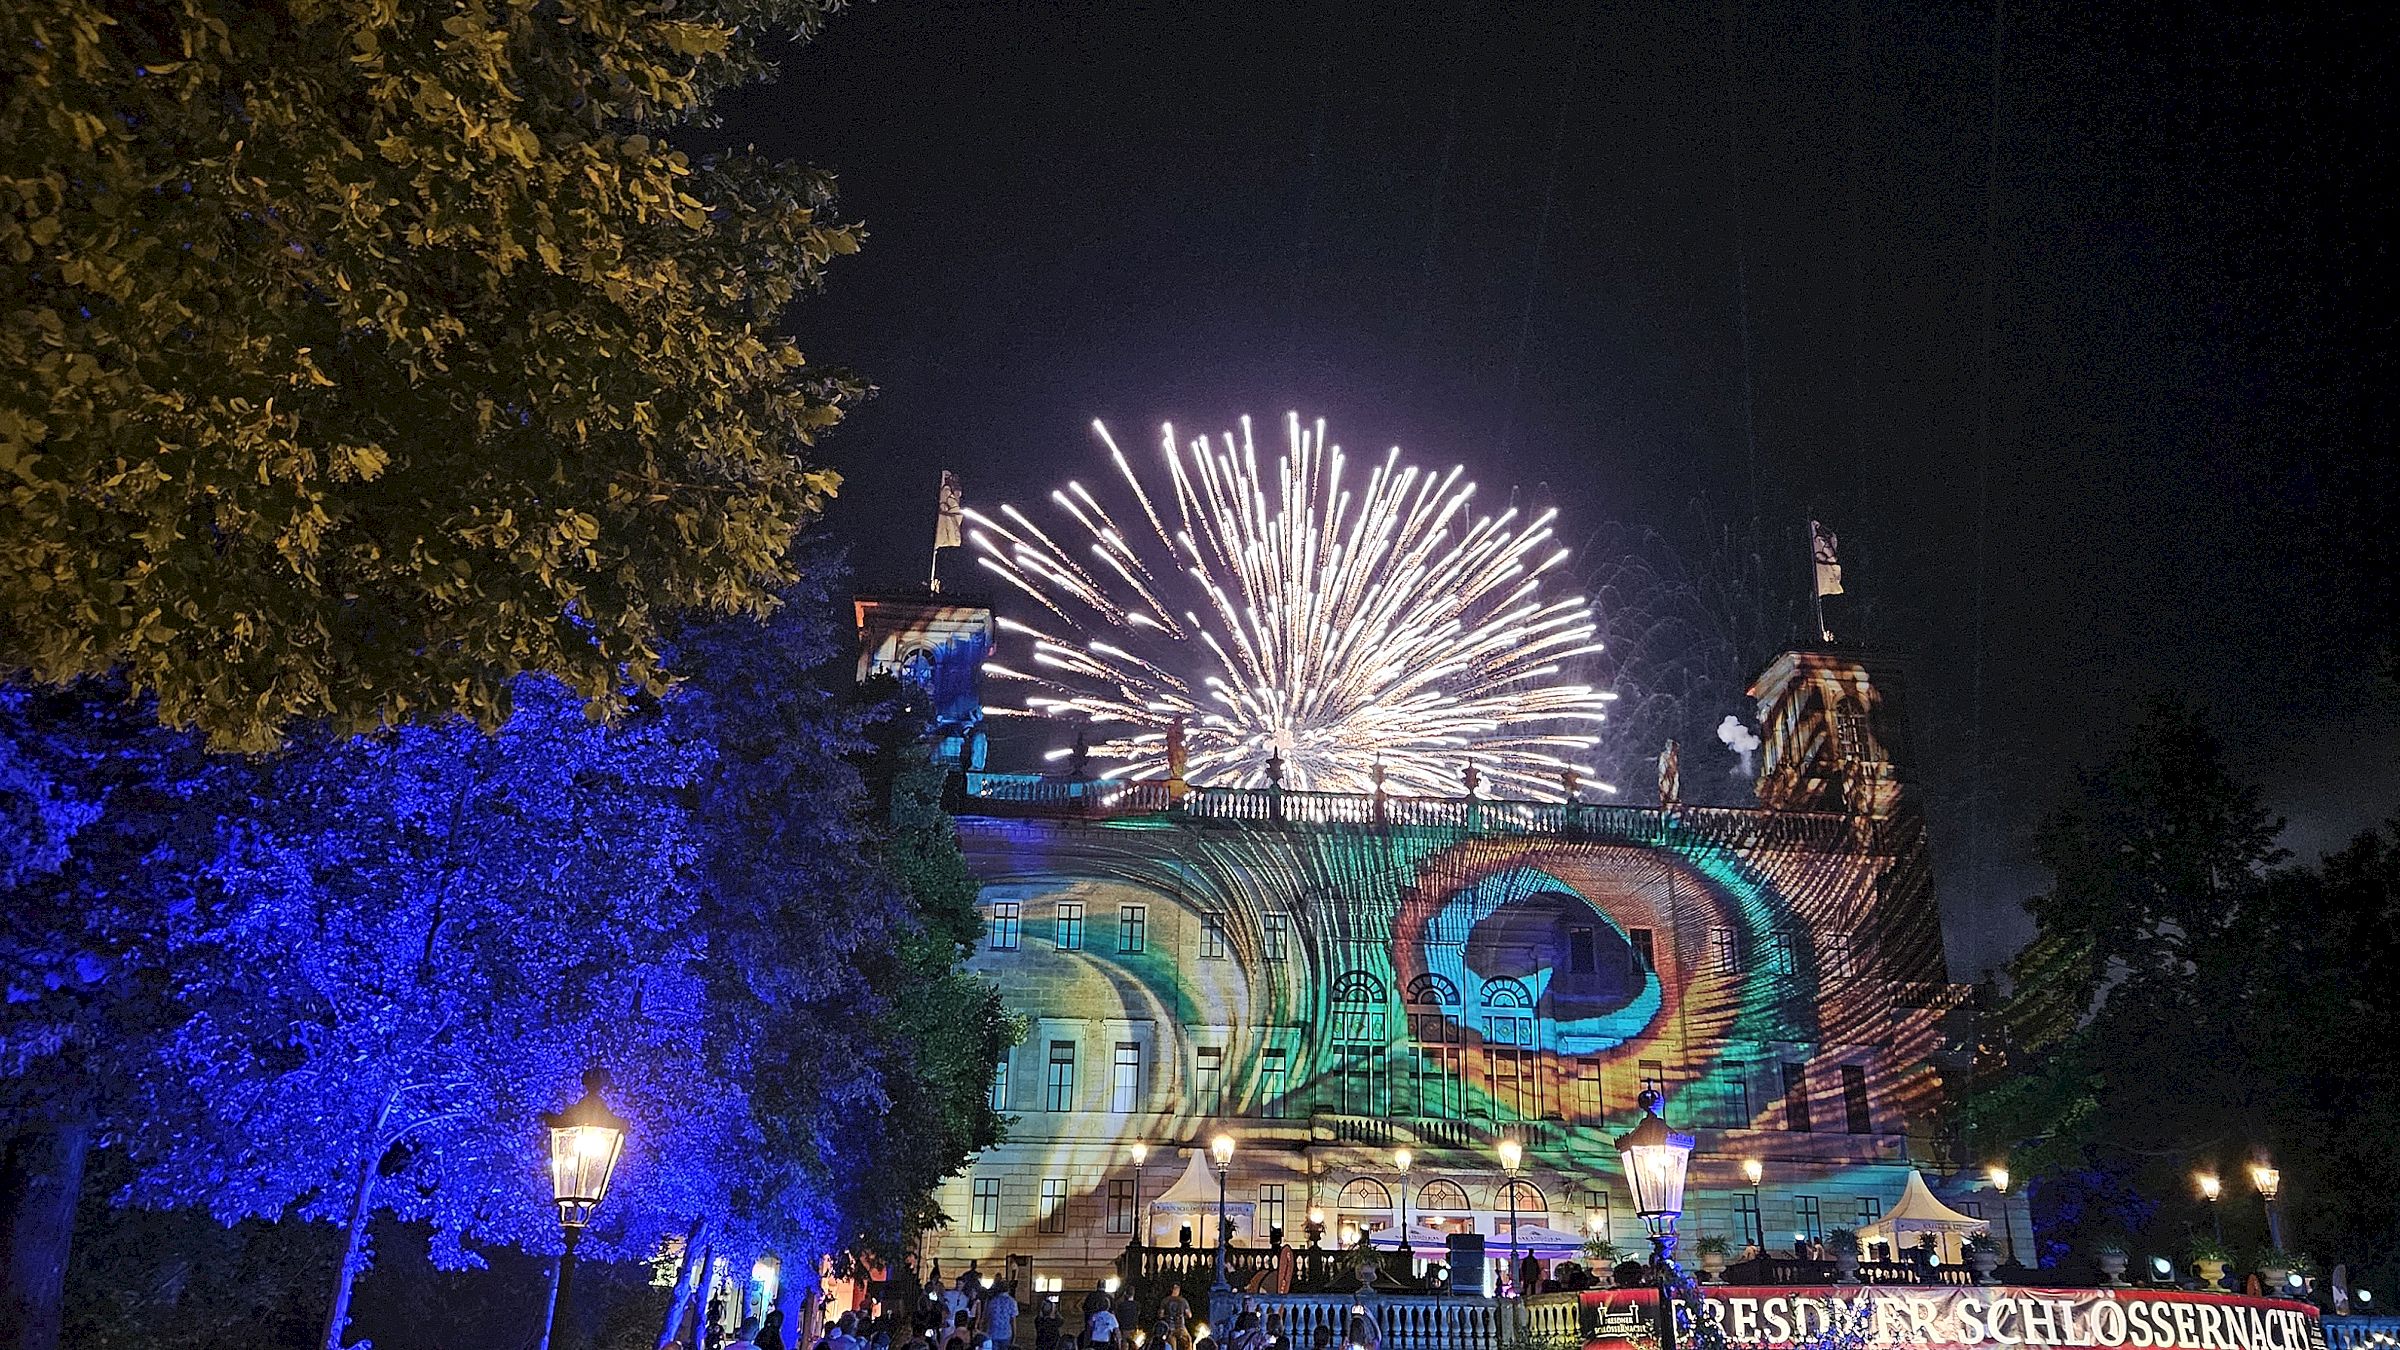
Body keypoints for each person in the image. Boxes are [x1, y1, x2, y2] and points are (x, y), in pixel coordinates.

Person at [984, 1282, 1020, 1349]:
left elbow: (987, 1317)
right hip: (1006, 1333)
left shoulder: (992, 1301)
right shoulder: (1012, 1301)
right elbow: (1013, 1321)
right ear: (1008, 1289)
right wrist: (1014, 1335)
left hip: (992, 1332)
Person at [1159, 1283, 1194, 1350]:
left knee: (1172, 1346)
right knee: (1188, 1341)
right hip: (1180, 1327)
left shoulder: (1165, 1300)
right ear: (1178, 1289)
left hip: (1169, 1328)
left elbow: (1160, 1315)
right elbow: (1189, 1315)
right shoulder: (1183, 1301)